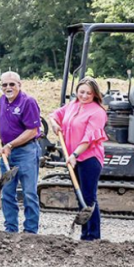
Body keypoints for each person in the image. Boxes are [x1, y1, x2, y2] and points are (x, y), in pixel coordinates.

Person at [49, 77, 108, 241]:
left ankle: (93, 236)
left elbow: (89, 138)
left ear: (95, 94)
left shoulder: (97, 112)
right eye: (82, 92)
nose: (84, 95)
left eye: (89, 93)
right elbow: (55, 115)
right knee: (79, 196)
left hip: (89, 158)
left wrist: (75, 154)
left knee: (88, 197)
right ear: (76, 92)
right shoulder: (73, 105)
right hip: (72, 158)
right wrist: (54, 124)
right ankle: (84, 234)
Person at [0, 71, 43, 233]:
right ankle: (11, 229)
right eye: (5, 85)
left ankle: (30, 231)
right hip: (8, 153)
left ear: (19, 85)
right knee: (7, 192)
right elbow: (0, 116)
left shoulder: (28, 102)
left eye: (12, 84)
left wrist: (10, 145)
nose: (8, 87)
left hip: (26, 151)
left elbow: (32, 130)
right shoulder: (3, 99)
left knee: (29, 193)